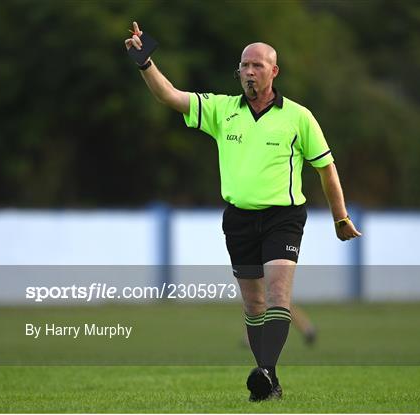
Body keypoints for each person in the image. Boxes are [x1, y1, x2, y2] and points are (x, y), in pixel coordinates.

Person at [125, 22, 361, 402]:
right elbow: (169, 96)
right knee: (253, 304)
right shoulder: (222, 110)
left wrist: (340, 216)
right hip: (238, 219)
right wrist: (144, 61)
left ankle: (264, 371)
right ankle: (272, 381)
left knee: (277, 294)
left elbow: (326, 168)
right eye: (243, 66)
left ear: (274, 71)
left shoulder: (299, 117)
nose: (248, 72)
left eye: (257, 66)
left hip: (284, 218)